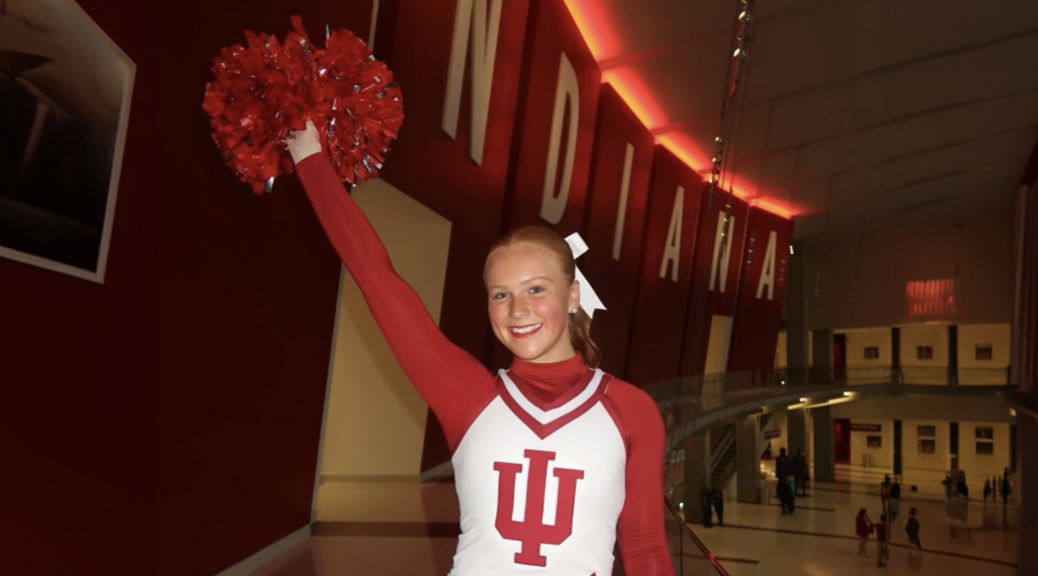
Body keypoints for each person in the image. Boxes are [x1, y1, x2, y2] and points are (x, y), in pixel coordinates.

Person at [286, 122, 674, 576]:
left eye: (535, 289)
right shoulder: (468, 395)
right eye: (500, 294)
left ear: (572, 296)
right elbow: (377, 278)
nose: (518, 310)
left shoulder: (631, 409)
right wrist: (310, 158)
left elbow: (647, 553)